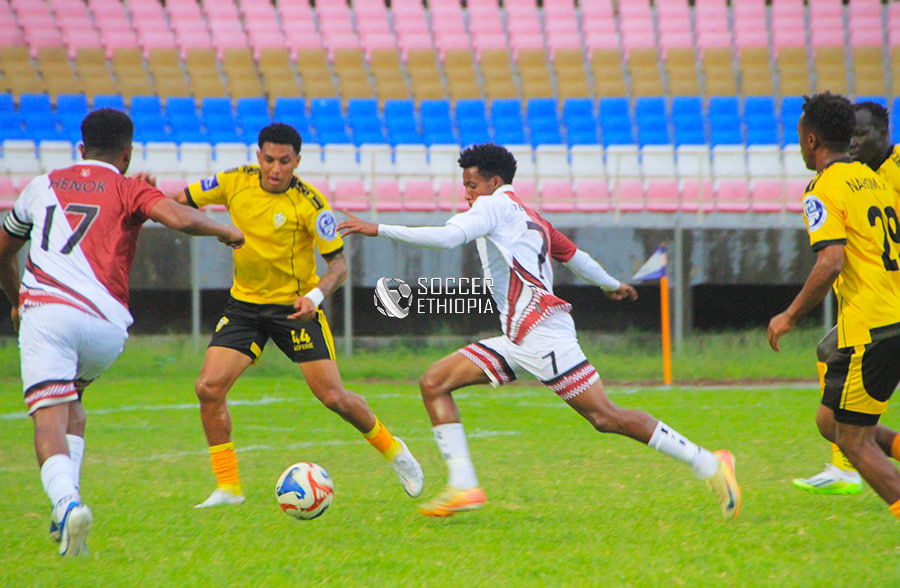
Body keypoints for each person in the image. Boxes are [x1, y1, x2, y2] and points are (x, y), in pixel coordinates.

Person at [338, 143, 741, 519]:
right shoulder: (533, 218)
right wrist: (610, 284)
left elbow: (448, 238)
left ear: (494, 183)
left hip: (542, 334)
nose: (467, 194)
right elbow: (575, 256)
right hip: (519, 337)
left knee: (606, 417)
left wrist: (378, 228)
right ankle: (463, 485)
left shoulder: (492, 206)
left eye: (471, 185)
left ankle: (709, 462)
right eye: (465, 186)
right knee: (434, 382)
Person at [0, 108, 245, 557]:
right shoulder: (130, 188)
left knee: (49, 417)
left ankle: (65, 504)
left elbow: (2, 249)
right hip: (107, 330)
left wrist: (17, 299)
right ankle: (66, 518)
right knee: (72, 404)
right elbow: (178, 218)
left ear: (81, 148)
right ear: (127, 154)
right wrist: (224, 231)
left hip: (49, 314)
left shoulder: (42, 185)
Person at [169, 123, 423, 509]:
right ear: (259, 156)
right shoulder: (233, 181)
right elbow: (177, 203)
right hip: (244, 308)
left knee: (333, 397)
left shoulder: (310, 204)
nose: (276, 168)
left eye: (285, 161)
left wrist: (314, 298)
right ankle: (229, 488)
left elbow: (338, 265)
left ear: (297, 161)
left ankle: (394, 450)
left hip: (294, 310)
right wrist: (215, 228)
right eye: (269, 159)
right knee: (208, 388)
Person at [767, 93, 900, 519]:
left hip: (872, 325)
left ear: (812, 140)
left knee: (855, 442)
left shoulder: (822, 188)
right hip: (890, 315)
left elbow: (831, 261)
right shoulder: (875, 180)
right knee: (830, 422)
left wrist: (789, 316)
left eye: (799, 140)